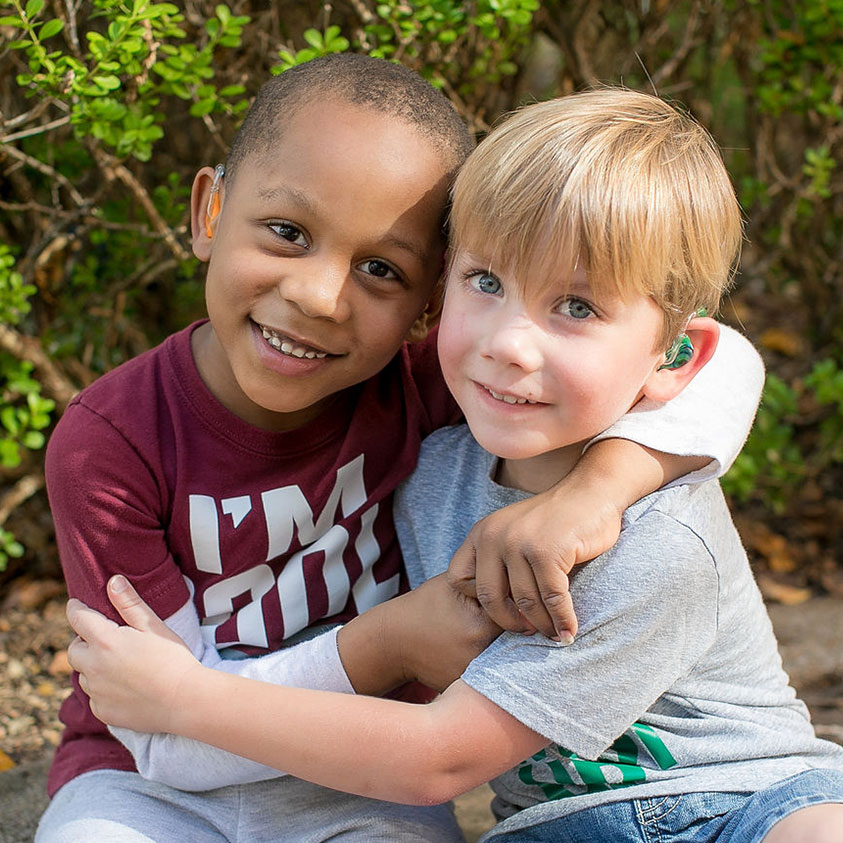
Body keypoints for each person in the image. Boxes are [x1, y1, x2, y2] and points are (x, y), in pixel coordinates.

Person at [67, 87, 843, 841]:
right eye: (486, 282)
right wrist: (378, 646)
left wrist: (599, 491)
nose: (507, 342)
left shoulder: (634, 522)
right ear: (445, 291)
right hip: (533, 824)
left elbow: (723, 360)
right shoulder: (439, 442)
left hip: (741, 799)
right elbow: (159, 727)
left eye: (574, 306)